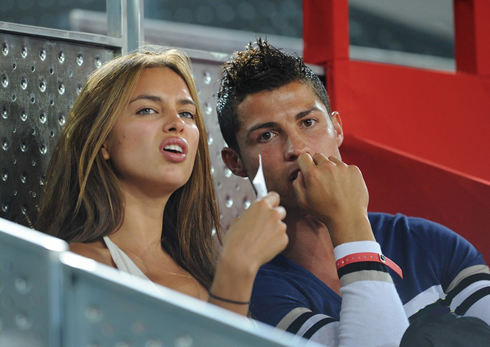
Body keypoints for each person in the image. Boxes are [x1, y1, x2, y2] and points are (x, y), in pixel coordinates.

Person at [216, 39, 490, 345]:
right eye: (266, 135)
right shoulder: (258, 291)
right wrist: (349, 220)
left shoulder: (428, 242)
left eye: (308, 122)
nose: (298, 148)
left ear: (338, 129)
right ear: (236, 162)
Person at [35, 47, 288, 316]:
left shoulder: (205, 274)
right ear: (102, 141)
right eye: (147, 110)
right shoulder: (80, 265)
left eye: (187, 114)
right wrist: (237, 270)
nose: (176, 124)